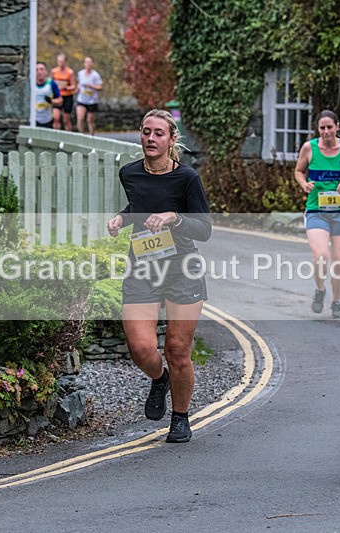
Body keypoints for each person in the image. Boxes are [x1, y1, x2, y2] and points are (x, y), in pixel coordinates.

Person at [106, 109, 211, 443]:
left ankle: (180, 418)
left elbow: (205, 229)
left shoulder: (187, 178)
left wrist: (174, 218)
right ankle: (159, 379)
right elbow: (139, 206)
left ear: (171, 139)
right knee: (140, 347)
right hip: (143, 266)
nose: (151, 138)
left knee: (178, 349)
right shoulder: (129, 173)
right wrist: (121, 219)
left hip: (182, 269)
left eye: (158, 133)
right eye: (146, 132)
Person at [294, 110, 340, 319]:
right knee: (321, 255)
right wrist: (304, 184)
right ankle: (320, 290)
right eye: (322, 128)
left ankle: (336, 302)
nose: (325, 132)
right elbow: (298, 171)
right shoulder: (309, 148)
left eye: (329, 127)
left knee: (339, 260)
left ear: (337, 127)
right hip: (317, 211)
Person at [75, 57, 103, 135]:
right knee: (80, 118)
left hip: (92, 101)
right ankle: (82, 136)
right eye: (86, 62)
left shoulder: (95, 75)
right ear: (84, 64)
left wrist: (91, 86)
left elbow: (100, 87)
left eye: (89, 62)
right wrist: (77, 88)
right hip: (82, 99)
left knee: (89, 120)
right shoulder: (80, 73)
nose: (88, 64)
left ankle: (91, 137)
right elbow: (79, 83)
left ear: (92, 64)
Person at [51, 53, 76, 131]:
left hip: (67, 96)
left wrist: (65, 88)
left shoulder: (70, 72)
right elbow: (50, 83)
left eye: (62, 62)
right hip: (57, 96)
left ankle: (69, 137)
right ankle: (56, 137)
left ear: (65, 62)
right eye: (59, 62)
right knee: (56, 118)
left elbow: (73, 86)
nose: (61, 64)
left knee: (66, 120)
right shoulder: (54, 71)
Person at [34, 62, 62, 129]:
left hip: (48, 120)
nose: (39, 72)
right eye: (36, 70)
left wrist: (51, 100)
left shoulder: (51, 84)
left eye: (41, 69)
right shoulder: (31, 84)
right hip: (34, 120)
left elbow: (60, 101)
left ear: (46, 72)